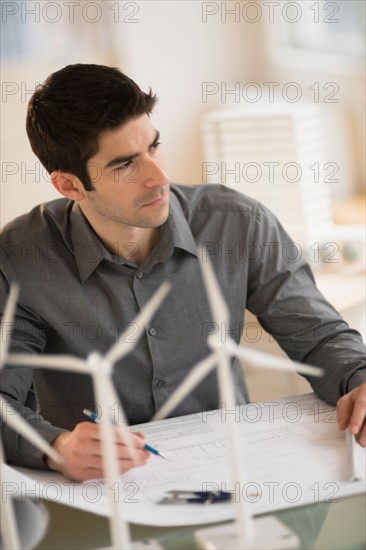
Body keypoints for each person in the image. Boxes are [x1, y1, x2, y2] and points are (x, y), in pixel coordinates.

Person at [0, 64, 365, 482]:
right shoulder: (20, 257)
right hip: (105, 496)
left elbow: (321, 339)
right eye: (125, 166)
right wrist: (56, 447)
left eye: (154, 147)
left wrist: (359, 378)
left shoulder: (237, 223)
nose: (159, 178)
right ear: (69, 186)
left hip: (239, 478)